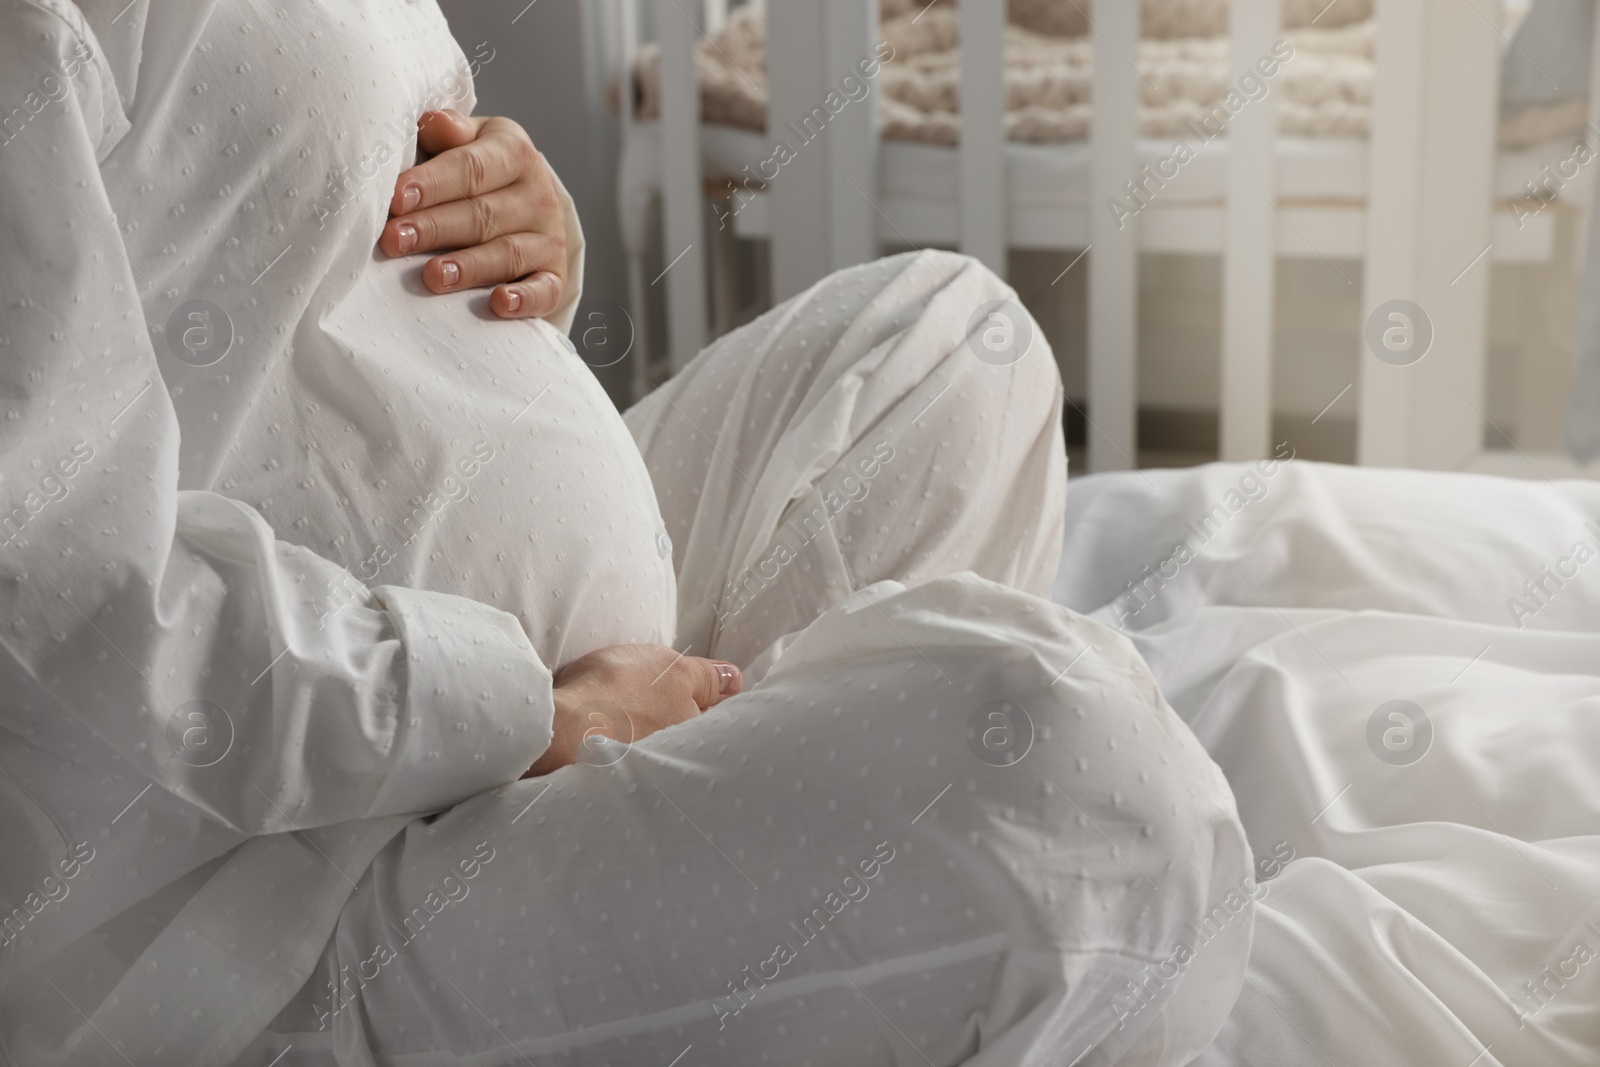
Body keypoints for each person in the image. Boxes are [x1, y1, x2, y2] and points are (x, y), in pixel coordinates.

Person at [0, 3, 1251, 1065]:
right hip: (284, 887)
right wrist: (516, 707)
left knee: (949, 340)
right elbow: (51, 594)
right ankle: (741, 856)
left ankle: (726, 830)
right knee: (1081, 788)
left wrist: (520, 234)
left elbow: (281, 278)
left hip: (495, 697)